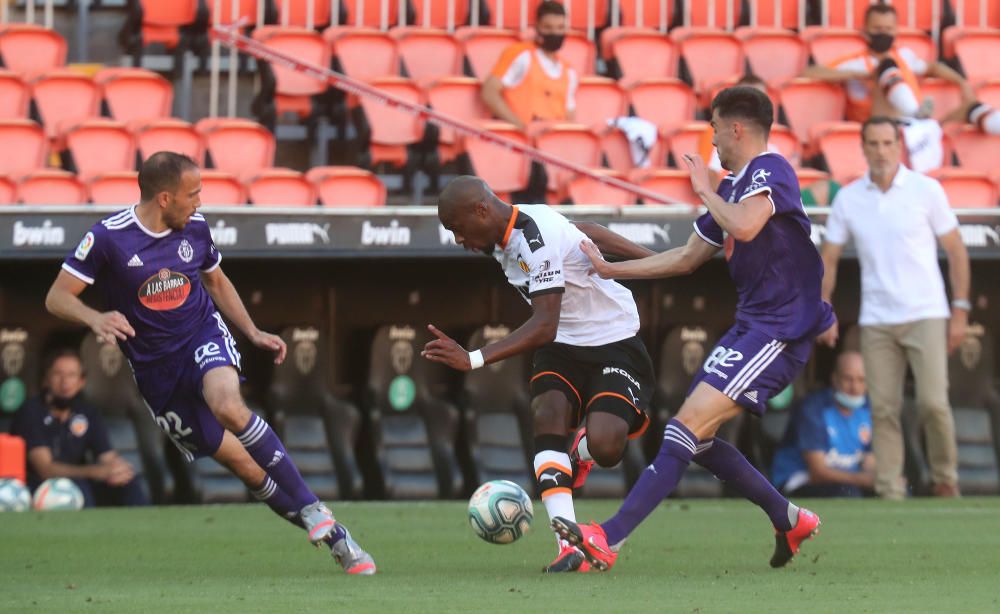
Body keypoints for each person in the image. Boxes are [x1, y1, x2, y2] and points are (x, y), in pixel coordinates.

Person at [44, 152, 375, 574]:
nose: (200, 202)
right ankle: (338, 539)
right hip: (157, 374)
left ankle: (312, 508)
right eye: (193, 193)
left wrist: (252, 332)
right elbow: (56, 297)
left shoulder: (195, 228)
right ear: (164, 198)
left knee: (228, 405)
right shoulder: (109, 238)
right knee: (249, 470)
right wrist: (95, 317)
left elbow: (216, 280)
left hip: (201, 335)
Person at [550, 85, 836, 572]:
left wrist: (703, 188)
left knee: (684, 428)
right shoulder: (729, 189)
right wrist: (612, 270)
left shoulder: (771, 170)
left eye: (715, 128)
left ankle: (608, 537)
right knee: (695, 438)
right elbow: (686, 258)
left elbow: (746, 227)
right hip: (752, 327)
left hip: (780, 329)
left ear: (736, 128)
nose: (713, 140)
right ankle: (787, 517)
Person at [423, 175, 657, 573]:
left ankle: (580, 453)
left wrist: (474, 358)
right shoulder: (513, 226)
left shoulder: (535, 237)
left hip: (612, 338)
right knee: (546, 415)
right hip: (561, 346)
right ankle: (569, 548)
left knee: (607, 447)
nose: (458, 240)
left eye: (458, 229)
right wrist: (653, 257)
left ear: (481, 210)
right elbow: (587, 231)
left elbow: (543, 323)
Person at [820, 117, 969, 500]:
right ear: (863, 147)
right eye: (874, 143)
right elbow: (830, 257)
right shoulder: (849, 198)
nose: (881, 151)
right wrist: (824, 309)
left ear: (899, 145)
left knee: (934, 403)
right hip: (877, 319)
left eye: (888, 143)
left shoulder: (926, 190)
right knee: (884, 408)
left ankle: (945, 479)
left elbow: (956, 250)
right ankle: (889, 490)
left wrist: (961, 309)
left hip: (927, 313)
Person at [801, 3, 973, 172]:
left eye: (888, 29)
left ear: (896, 31)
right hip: (878, 126)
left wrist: (962, 82)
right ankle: (914, 111)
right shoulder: (856, 62)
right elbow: (810, 72)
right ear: (865, 30)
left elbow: (934, 67)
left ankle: (917, 114)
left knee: (975, 108)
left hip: (914, 127)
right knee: (887, 67)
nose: (883, 33)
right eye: (877, 29)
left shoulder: (905, 56)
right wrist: (855, 75)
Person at [10, 349, 148, 507]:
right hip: (40, 486)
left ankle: (148, 528)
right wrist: (95, 472)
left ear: (81, 382)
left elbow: (107, 455)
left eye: (71, 375)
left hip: (81, 480)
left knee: (128, 483)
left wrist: (118, 469)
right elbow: (45, 469)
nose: (65, 382)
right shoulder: (31, 412)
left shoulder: (88, 412)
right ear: (46, 380)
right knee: (79, 488)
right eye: (58, 374)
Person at [771, 351, 874, 498]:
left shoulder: (868, 409)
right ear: (834, 379)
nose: (855, 387)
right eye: (848, 379)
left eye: (861, 380)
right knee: (847, 494)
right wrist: (865, 480)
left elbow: (869, 462)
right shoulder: (813, 409)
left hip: (850, 481)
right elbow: (818, 472)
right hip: (800, 481)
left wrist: (881, 480)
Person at [481, 1, 578, 132]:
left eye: (560, 28)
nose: (555, 33)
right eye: (548, 27)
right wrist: (520, 127)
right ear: (537, 27)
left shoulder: (569, 71)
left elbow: (569, 116)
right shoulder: (519, 54)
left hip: (551, 143)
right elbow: (489, 92)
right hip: (521, 140)